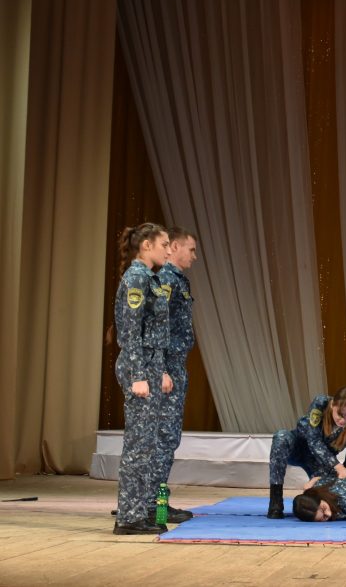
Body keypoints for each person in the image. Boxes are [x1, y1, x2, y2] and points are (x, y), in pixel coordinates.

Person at [111, 223, 173, 535]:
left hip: (151, 365)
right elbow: (130, 331)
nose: (168, 250)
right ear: (146, 245)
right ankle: (128, 517)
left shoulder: (151, 278)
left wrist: (160, 370)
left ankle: (141, 511)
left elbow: (154, 330)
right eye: (164, 244)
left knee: (147, 444)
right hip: (140, 367)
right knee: (138, 445)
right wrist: (138, 375)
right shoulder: (136, 277)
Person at [152, 227, 198, 525]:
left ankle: (153, 502)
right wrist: (162, 369)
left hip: (175, 367)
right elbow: (157, 326)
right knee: (163, 438)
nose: (194, 256)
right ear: (176, 247)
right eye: (191, 249)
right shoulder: (166, 280)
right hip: (166, 369)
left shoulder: (178, 280)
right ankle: (154, 505)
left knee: (168, 438)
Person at [267, 386, 346, 519]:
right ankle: (275, 502)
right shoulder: (321, 403)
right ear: (332, 405)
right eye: (340, 414)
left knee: (332, 488)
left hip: (320, 464)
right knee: (281, 437)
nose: (343, 420)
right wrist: (339, 467)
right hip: (299, 447)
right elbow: (313, 440)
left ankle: (314, 508)